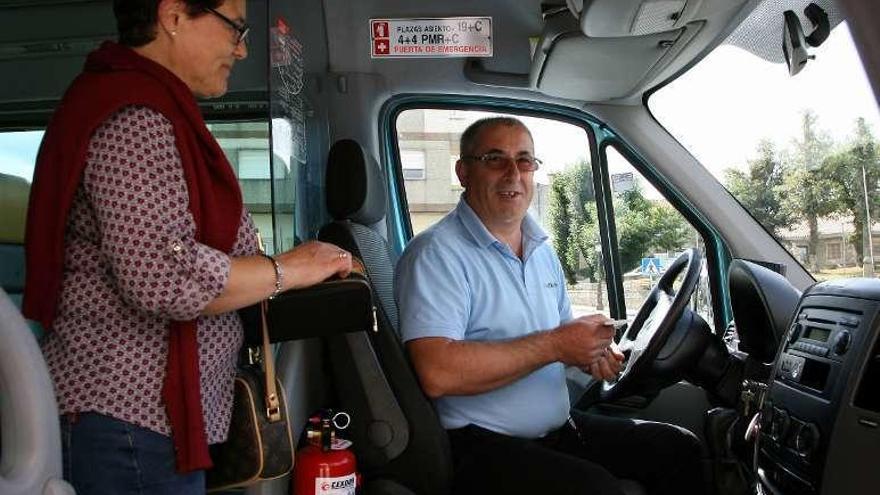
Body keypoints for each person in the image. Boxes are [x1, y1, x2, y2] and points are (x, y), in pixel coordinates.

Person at [22, 1, 352, 493]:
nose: (241, 49)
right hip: (125, 419)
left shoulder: (157, 110)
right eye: (235, 28)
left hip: (145, 423)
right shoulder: (134, 118)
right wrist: (286, 270)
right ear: (173, 15)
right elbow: (165, 275)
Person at [395, 117, 706, 495]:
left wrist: (590, 355)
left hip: (558, 430)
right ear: (464, 172)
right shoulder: (435, 255)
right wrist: (557, 346)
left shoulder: (541, 248)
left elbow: (558, 337)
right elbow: (437, 372)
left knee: (678, 449)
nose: (513, 173)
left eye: (524, 160)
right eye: (495, 159)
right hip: (478, 447)